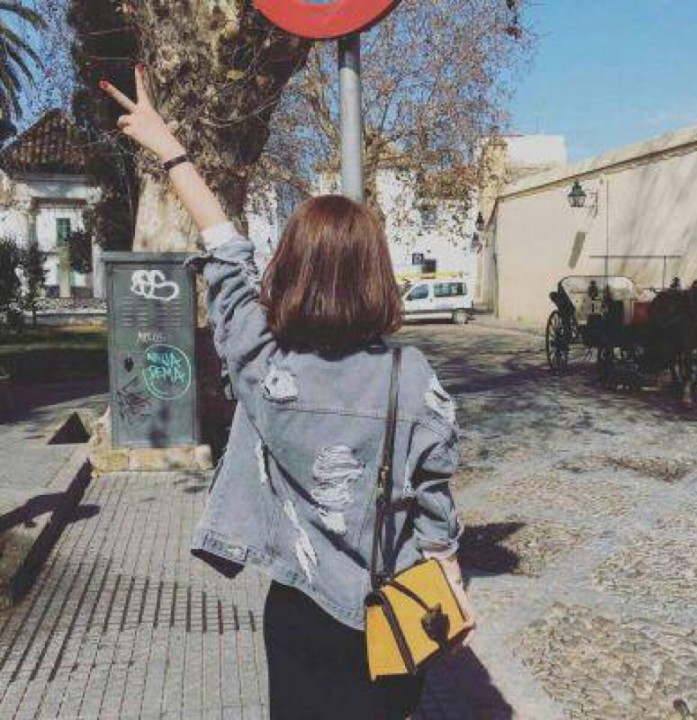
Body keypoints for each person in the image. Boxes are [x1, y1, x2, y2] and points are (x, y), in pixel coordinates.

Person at [101, 66, 476, 720]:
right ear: (376, 274)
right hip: (390, 609)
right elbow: (434, 501)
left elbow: (226, 254)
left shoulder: (261, 362)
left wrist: (172, 152)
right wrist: (447, 570)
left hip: (298, 609)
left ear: (292, 268)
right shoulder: (411, 375)